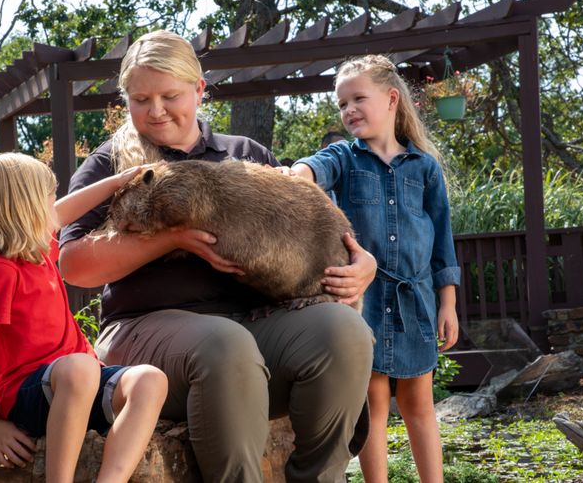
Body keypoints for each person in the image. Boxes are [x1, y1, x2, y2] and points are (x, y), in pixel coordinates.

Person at [58, 30, 377, 483]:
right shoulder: (108, 165)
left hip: (255, 324)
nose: (156, 110)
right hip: (144, 332)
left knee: (344, 331)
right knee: (225, 344)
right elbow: (73, 265)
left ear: (199, 89)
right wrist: (173, 239)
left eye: (170, 95)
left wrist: (362, 265)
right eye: (140, 98)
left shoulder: (245, 154)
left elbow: (308, 226)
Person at [291, 55, 460, 483]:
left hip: (416, 302)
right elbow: (317, 165)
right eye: (342, 104)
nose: (349, 110)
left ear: (390, 99)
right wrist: (298, 174)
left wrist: (449, 303)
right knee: (374, 405)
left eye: (357, 99)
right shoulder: (346, 160)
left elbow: (443, 241)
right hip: (364, 303)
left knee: (420, 405)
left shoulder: (424, 168)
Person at [0, 153, 168, 483]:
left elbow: (66, 210)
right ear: (24, 209)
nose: (54, 205)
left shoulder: (38, 251)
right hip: (27, 395)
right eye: (48, 196)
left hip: (75, 385)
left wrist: (117, 182)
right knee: (80, 366)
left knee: (150, 380)